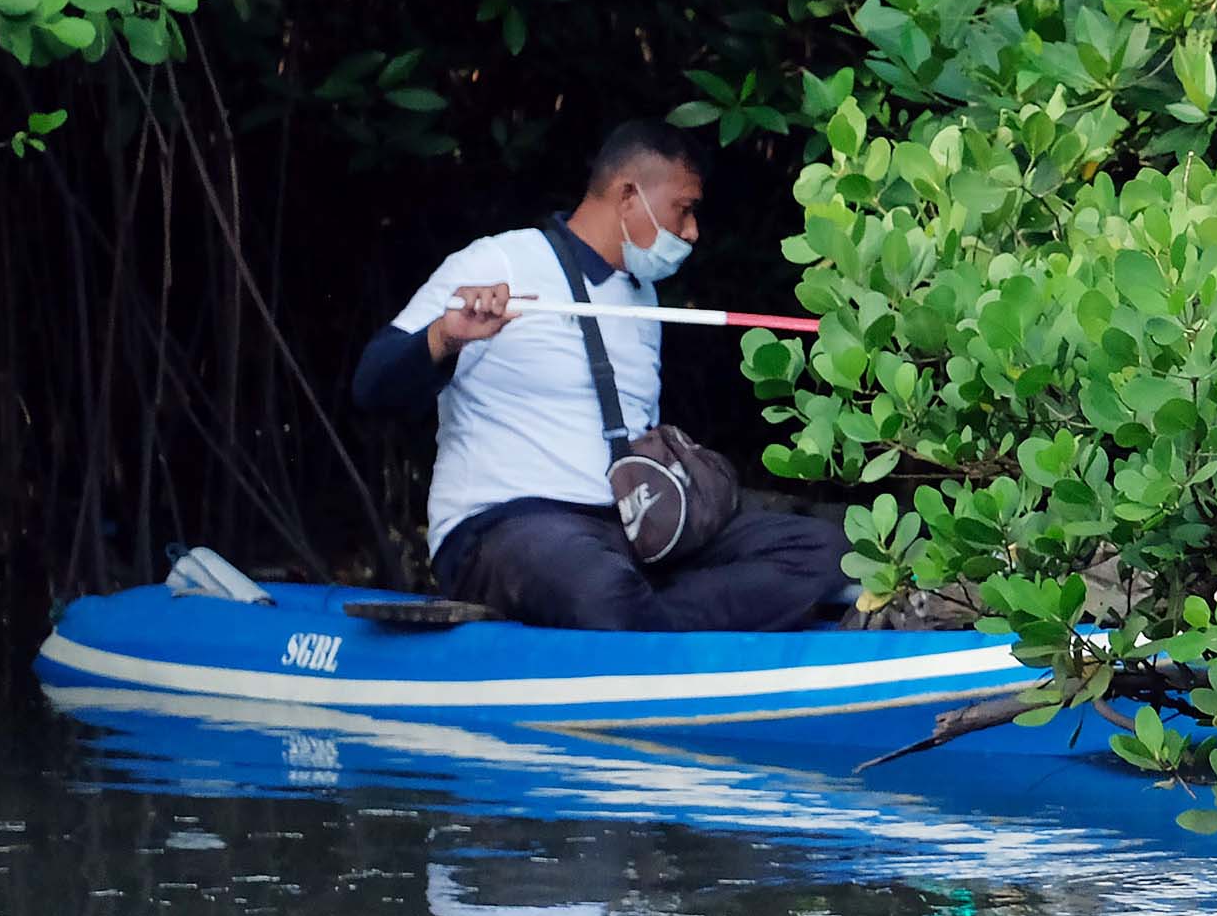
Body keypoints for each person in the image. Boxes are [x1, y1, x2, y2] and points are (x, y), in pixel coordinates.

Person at [351, 121, 848, 630]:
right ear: (629, 194)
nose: (693, 231)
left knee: (821, 551)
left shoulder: (643, 294)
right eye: (684, 209)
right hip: (508, 528)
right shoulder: (499, 260)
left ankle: (644, 625)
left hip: (632, 530)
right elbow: (372, 386)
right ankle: (645, 621)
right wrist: (446, 337)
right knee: (596, 584)